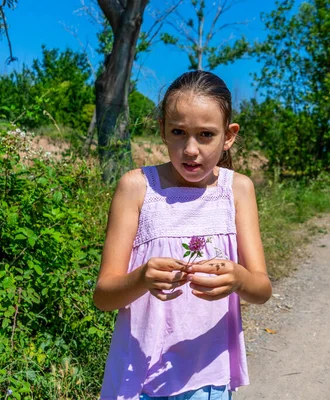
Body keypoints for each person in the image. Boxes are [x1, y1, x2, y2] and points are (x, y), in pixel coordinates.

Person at [93, 70, 272, 400]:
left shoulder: (238, 190)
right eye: (178, 132)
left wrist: (239, 279)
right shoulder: (136, 188)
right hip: (139, 376)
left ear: (228, 136)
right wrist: (141, 279)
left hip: (208, 377)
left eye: (206, 135)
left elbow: (261, 290)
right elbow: (103, 296)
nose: (191, 149)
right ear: (162, 129)